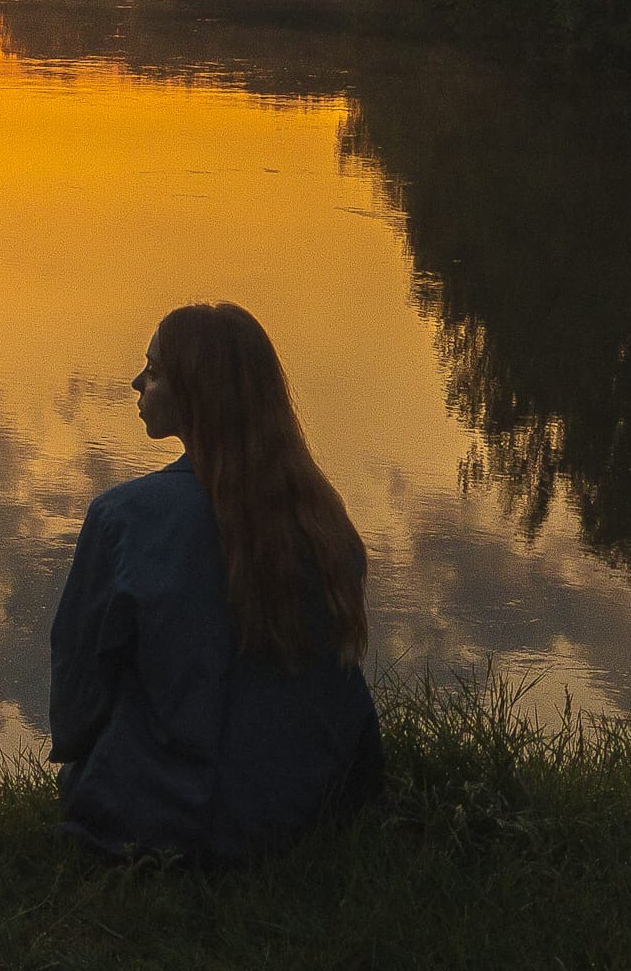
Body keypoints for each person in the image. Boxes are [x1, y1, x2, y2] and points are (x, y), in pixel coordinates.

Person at [49, 302, 382, 860]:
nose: (136, 382)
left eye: (153, 372)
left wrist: (85, 757)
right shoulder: (325, 523)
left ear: (195, 395)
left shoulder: (123, 518)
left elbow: (79, 686)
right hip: (304, 810)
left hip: (155, 822)